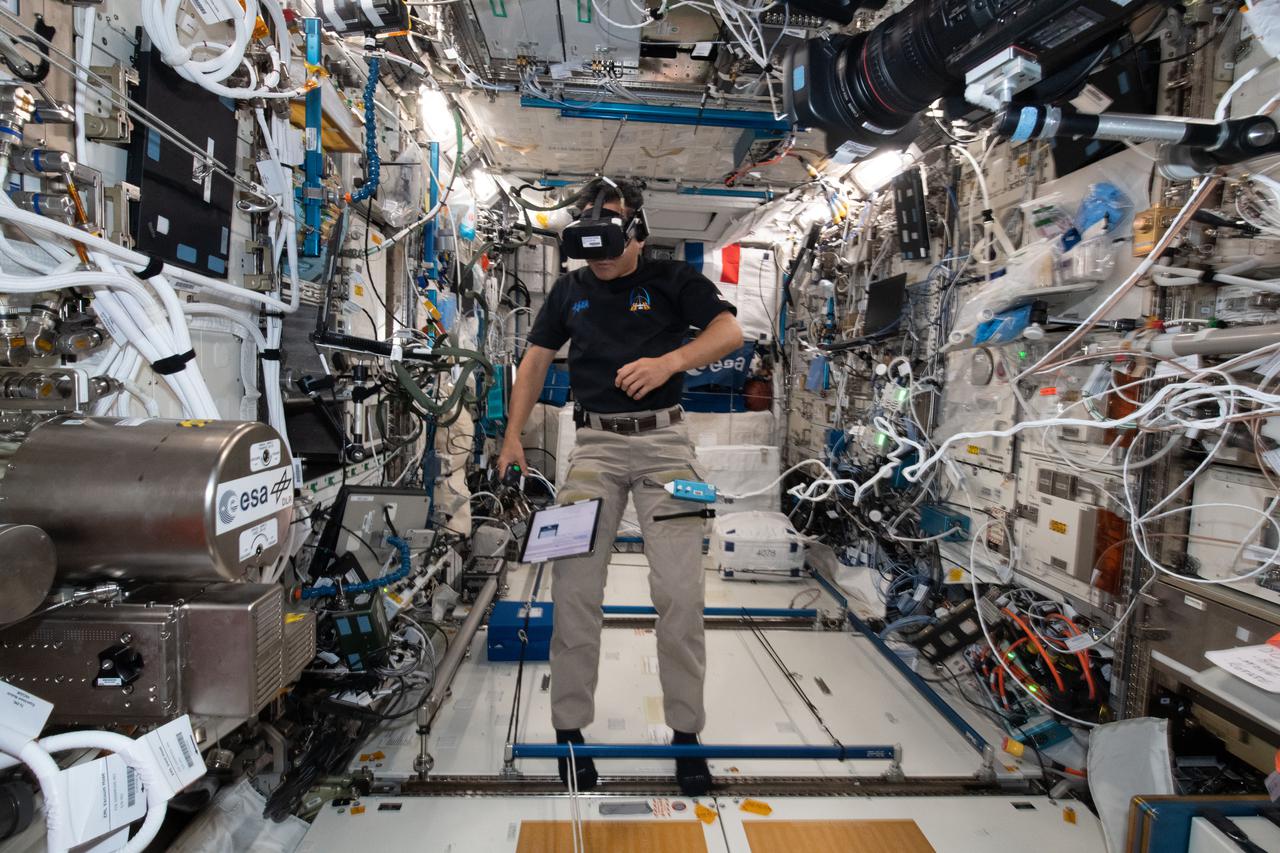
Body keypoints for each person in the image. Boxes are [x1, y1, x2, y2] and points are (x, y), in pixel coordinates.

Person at [496, 177, 743, 795]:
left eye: (611, 235)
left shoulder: (670, 280)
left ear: (637, 230)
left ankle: (686, 735)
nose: (601, 254)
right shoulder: (570, 289)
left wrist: (670, 361)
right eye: (590, 238)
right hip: (595, 447)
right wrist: (512, 436)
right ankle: (570, 733)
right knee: (575, 591)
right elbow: (533, 361)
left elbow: (728, 332)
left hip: (665, 445)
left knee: (680, 594)